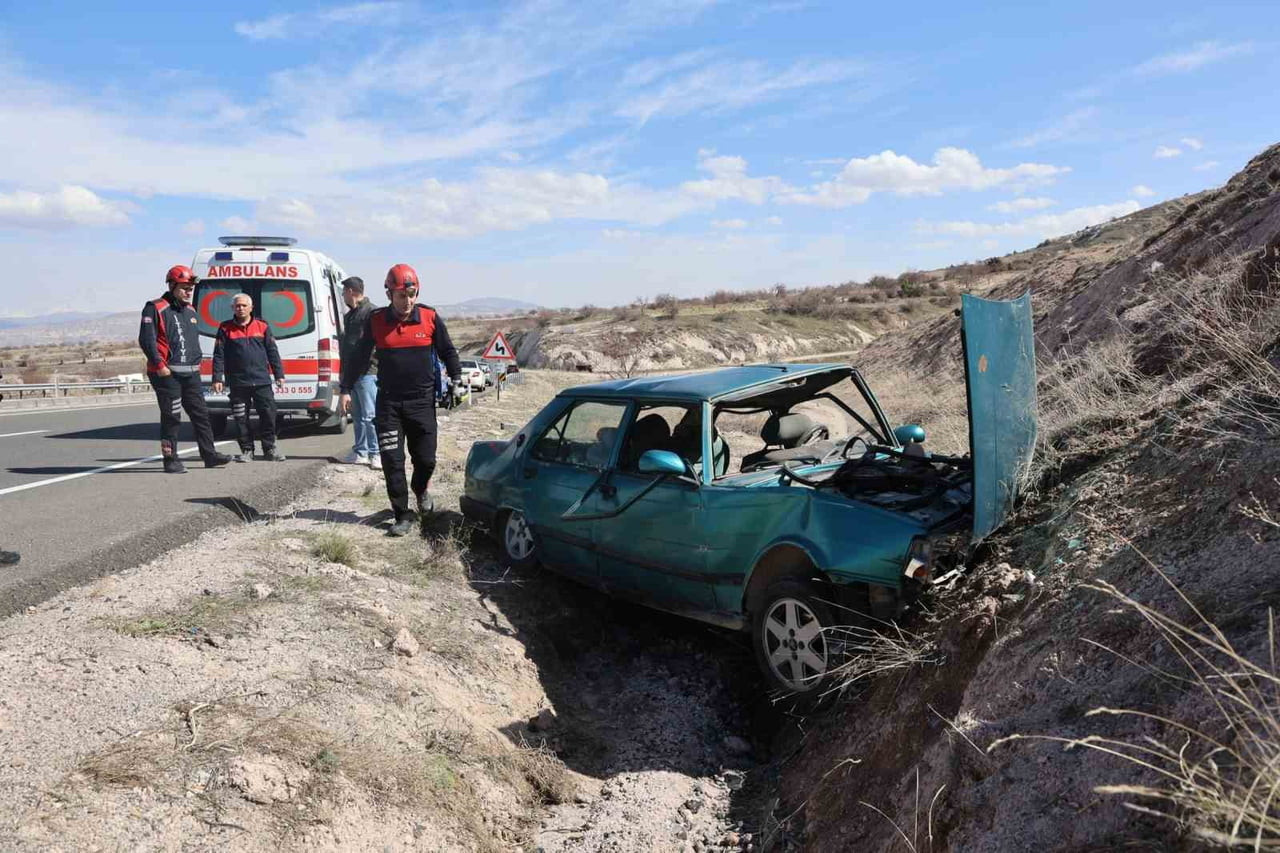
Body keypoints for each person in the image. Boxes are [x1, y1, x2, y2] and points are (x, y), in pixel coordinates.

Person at [339, 263, 465, 537]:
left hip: (422, 402)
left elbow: (448, 351)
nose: (407, 301)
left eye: (412, 294)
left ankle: (421, 490)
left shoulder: (430, 318)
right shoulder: (376, 320)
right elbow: (359, 356)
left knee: (426, 460)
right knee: (392, 460)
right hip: (389, 404)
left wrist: (456, 379)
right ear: (389, 295)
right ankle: (402, 514)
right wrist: (345, 387)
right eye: (401, 295)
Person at [138, 265, 232, 473]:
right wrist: (160, 365)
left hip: (191, 373)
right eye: (184, 288)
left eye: (191, 288)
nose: (189, 292)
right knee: (172, 416)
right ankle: (170, 459)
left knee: (201, 415)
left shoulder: (190, 310)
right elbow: (147, 340)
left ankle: (210, 455)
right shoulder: (155, 307)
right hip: (166, 373)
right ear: (172, 285)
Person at [211, 293, 287, 462]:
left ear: (251, 308)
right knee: (240, 418)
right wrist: (217, 378)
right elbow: (218, 355)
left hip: (261, 381)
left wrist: (279, 374)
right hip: (238, 382)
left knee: (268, 415)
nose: (241, 308)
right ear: (233, 308)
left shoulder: (263, 326)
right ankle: (247, 450)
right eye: (237, 306)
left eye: (244, 305)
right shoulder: (225, 328)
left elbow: (272, 352)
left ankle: (269, 449)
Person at [338, 276, 380, 468]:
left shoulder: (371, 313)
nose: (342, 295)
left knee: (370, 415)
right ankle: (361, 452)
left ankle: (376, 453)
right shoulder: (350, 315)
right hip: (353, 372)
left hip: (367, 371)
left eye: (344, 291)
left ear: (351, 292)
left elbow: (371, 345)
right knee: (357, 416)